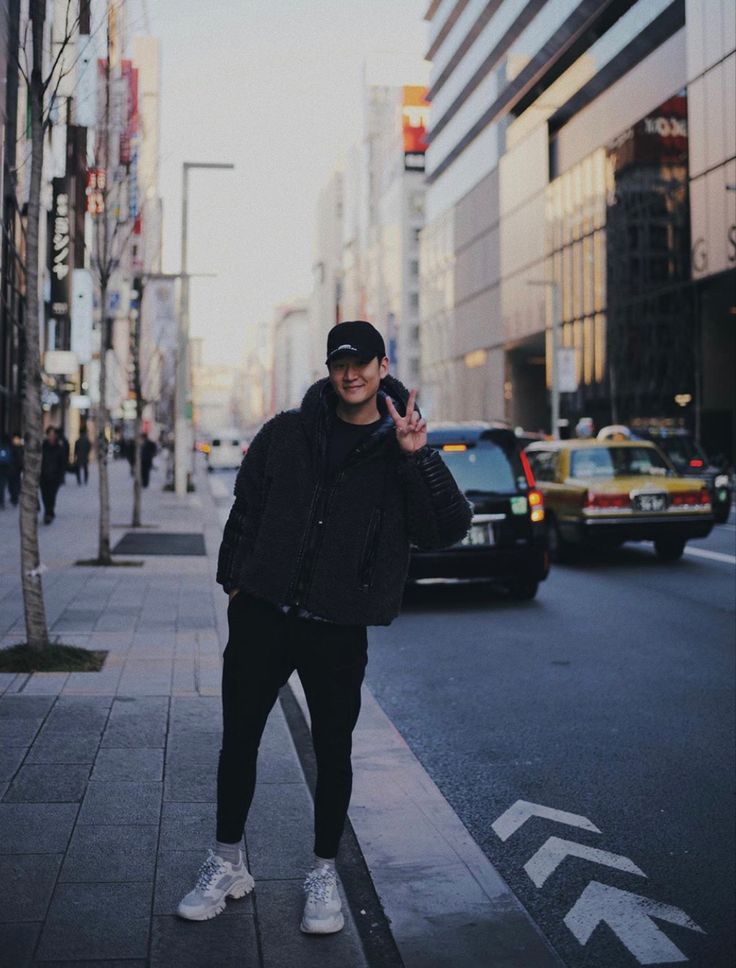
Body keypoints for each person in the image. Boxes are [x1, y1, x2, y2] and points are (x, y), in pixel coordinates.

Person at [177, 320, 472, 933]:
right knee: (240, 743)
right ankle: (226, 862)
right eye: (341, 363)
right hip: (263, 616)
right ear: (330, 369)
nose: (351, 373)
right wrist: (237, 585)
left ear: (382, 366)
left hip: (337, 626)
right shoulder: (286, 434)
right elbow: (246, 509)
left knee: (333, 751)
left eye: (362, 362)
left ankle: (322, 873)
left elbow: (446, 528)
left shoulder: (400, 448)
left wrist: (420, 459)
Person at [40, 425, 67, 523]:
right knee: (44, 496)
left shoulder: (59, 447)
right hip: (43, 476)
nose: (51, 436)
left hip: (55, 477)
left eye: (53, 434)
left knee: (51, 496)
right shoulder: (43, 446)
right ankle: (48, 512)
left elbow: (63, 462)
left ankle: (49, 513)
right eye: (49, 434)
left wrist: (61, 476)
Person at [0, 434, 12, 509]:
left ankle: (1, 501)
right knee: (2, 485)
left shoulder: (5, 447)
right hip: (5, 467)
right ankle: (1, 501)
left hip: (4, 467)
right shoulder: (9, 447)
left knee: (2, 485)